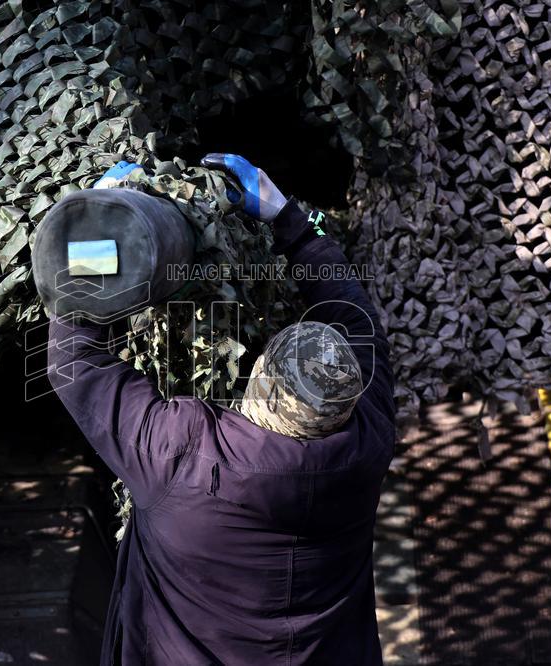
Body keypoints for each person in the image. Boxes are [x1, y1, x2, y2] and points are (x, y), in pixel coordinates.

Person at [46, 153, 396, 665]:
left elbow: (71, 359)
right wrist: (292, 225)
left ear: (257, 379)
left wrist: (98, 232)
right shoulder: (369, 436)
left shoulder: (184, 455)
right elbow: (356, 315)